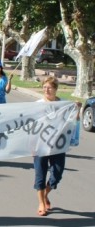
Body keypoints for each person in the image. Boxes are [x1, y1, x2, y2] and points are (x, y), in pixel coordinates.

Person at [33, 76, 81, 216]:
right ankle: (41, 203)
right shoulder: (38, 104)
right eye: (44, 87)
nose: (46, 90)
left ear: (55, 89)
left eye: (49, 87)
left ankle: (46, 194)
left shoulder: (65, 104)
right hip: (41, 145)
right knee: (40, 175)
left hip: (58, 145)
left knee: (57, 174)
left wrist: (77, 109)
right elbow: (31, 127)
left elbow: (74, 121)